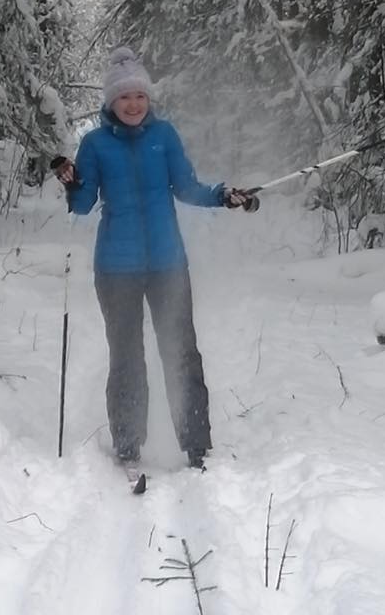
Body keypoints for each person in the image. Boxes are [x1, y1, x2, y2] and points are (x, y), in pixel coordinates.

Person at [52, 46, 258, 470]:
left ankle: (196, 444)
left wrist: (223, 195)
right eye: (125, 97)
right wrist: (71, 180)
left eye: (140, 96)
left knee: (181, 350)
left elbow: (186, 187)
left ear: (149, 99)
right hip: (116, 267)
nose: (133, 104)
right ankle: (128, 447)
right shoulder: (94, 144)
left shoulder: (164, 137)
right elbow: (83, 205)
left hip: (167, 262)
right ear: (111, 102)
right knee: (126, 356)